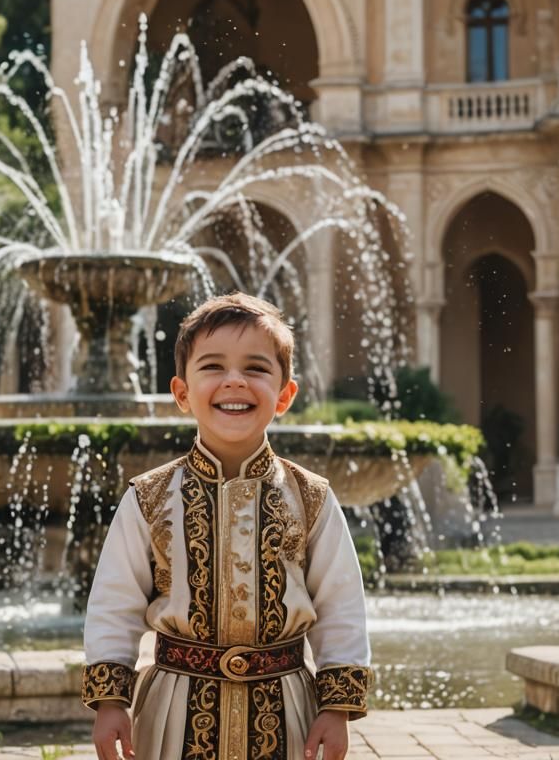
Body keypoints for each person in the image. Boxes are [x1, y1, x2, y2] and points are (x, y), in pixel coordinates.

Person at [84, 293, 370, 760]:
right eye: (213, 366)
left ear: (284, 395)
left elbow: (341, 605)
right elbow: (115, 603)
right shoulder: (150, 496)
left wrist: (336, 708)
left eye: (256, 369)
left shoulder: (311, 496)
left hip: (287, 709)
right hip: (172, 711)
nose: (234, 381)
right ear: (181, 393)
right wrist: (111, 699)